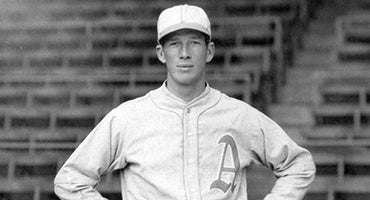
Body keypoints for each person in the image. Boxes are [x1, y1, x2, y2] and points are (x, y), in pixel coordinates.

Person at [54, 4, 316, 200]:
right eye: (174, 44)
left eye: (194, 43)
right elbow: (70, 179)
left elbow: (298, 164)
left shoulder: (238, 115)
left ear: (209, 50)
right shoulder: (129, 117)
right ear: (161, 53)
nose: (184, 53)